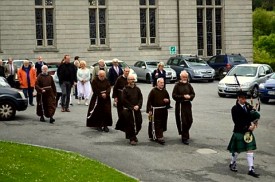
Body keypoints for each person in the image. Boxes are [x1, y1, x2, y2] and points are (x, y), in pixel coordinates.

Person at [227, 91, 260, 178]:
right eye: (242, 98)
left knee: (250, 149)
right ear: (238, 98)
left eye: (245, 98)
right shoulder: (234, 109)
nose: (244, 100)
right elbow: (237, 122)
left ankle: (251, 169)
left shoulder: (247, 106)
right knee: (238, 151)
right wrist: (247, 127)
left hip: (248, 132)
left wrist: (255, 121)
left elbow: (253, 116)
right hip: (239, 131)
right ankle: (232, 163)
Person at [172, 70, 195, 145]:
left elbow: (193, 94)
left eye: (186, 77)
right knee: (184, 121)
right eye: (184, 77)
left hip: (187, 104)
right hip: (180, 105)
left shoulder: (189, 85)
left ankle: (184, 133)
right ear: (181, 77)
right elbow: (174, 95)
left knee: (190, 120)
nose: (185, 78)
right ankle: (184, 137)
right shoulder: (177, 85)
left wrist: (190, 96)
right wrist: (183, 96)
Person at [119, 74, 143, 145]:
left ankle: (134, 134)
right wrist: (132, 107)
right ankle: (131, 138)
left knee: (138, 123)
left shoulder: (137, 89)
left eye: (133, 79)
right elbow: (124, 100)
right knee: (130, 125)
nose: (133, 81)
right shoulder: (125, 90)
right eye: (131, 79)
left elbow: (140, 98)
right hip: (129, 110)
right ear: (128, 80)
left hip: (137, 109)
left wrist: (138, 105)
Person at [146, 78, 170, 145]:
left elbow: (168, 99)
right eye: (161, 82)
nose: (162, 84)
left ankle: (160, 134)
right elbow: (149, 101)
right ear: (157, 83)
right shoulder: (153, 91)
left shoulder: (165, 91)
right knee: (157, 124)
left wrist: (167, 101)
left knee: (162, 123)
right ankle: (158, 137)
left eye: (163, 82)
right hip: (155, 110)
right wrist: (149, 110)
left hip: (163, 110)